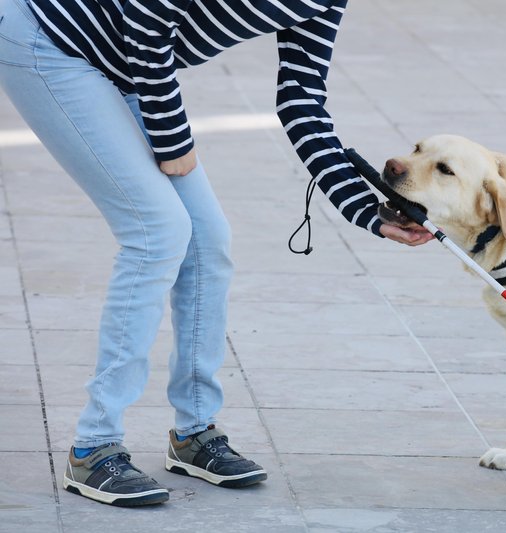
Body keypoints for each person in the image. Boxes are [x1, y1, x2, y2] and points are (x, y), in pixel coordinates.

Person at [0, 0, 433, 507]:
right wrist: (172, 141)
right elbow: (146, 20)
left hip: (129, 64)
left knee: (208, 241)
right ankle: (94, 446)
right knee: (156, 232)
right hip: (49, 38)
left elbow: (301, 101)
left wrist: (368, 210)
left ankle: (194, 433)